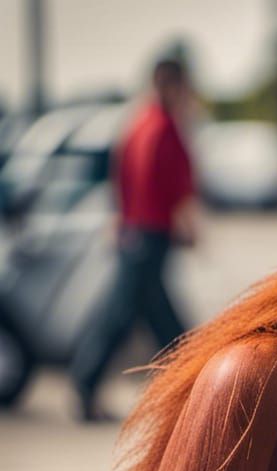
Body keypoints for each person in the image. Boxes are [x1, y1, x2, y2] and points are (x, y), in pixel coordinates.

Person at [70, 57, 197, 421]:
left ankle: (185, 387)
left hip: (135, 233)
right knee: (123, 317)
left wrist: (123, 220)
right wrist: (187, 223)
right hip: (153, 235)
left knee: (159, 317)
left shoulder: (138, 124)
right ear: (172, 85)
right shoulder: (166, 127)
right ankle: (86, 382)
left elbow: (121, 175)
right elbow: (175, 184)